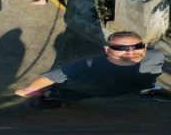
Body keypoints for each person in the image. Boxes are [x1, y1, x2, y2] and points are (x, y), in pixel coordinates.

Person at [14, 31, 171, 108]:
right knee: (64, 93)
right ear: (107, 50)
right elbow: (50, 77)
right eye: (121, 48)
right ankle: (49, 98)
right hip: (90, 90)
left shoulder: (156, 56)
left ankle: (148, 90)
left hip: (133, 85)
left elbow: (153, 72)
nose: (131, 51)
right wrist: (28, 90)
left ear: (144, 46)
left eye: (136, 46)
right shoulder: (87, 65)